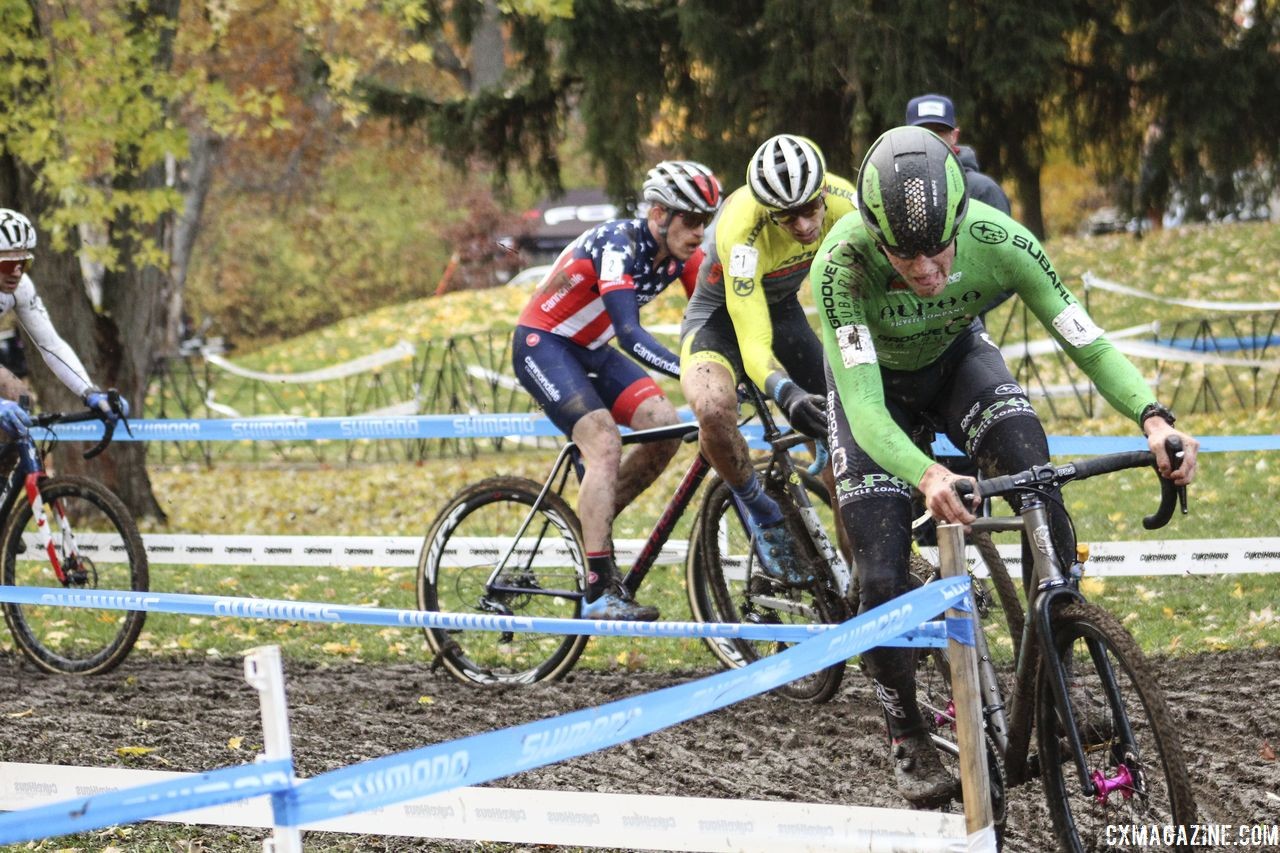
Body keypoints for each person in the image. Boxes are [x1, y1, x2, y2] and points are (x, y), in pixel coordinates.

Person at [810, 126, 1200, 807]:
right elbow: (866, 410)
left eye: (939, 248)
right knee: (878, 571)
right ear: (874, 234)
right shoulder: (841, 265)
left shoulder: (1002, 240)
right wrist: (927, 473)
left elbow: (1085, 338)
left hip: (959, 364)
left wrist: (1153, 415)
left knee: (1035, 472)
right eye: (905, 255)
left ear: (963, 218)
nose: (928, 270)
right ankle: (904, 723)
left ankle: (1056, 669)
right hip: (875, 395)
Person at [512, 161, 722, 621]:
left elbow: (710, 320)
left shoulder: (684, 257)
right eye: (690, 219)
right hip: (543, 344)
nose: (698, 231)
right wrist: (689, 371)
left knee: (664, 427)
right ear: (658, 215)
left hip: (590, 348)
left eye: (706, 220)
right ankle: (597, 589)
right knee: (603, 440)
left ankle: (592, 524)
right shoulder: (617, 245)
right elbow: (628, 332)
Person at [680, 134, 857, 586]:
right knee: (714, 408)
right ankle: (763, 516)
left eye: (810, 209)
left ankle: (864, 585)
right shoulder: (741, 230)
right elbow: (751, 335)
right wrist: (785, 391)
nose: (802, 226)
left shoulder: (847, 204)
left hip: (785, 312)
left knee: (847, 452)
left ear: (823, 193)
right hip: (720, 320)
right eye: (787, 216)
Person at [0, 209, 129, 439]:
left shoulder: (21, 288)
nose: (17, 273)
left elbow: (51, 345)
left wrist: (89, 392)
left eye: (24, 262)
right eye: (8, 264)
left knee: (18, 398)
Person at [905, 93, 1011, 215]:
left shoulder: (983, 190)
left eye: (939, 131)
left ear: (954, 136)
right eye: (923, 131)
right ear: (908, 136)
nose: (931, 138)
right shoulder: (897, 189)